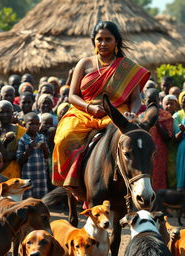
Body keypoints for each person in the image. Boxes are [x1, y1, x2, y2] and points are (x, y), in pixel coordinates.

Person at [52, 21, 150, 195]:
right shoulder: (84, 63)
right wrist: (90, 108)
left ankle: (135, 185)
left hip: (117, 113)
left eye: (108, 39)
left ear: (116, 42)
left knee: (133, 143)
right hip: (84, 111)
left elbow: (136, 99)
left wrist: (132, 113)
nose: (103, 43)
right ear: (94, 42)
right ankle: (72, 185)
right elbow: (72, 96)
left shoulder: (127, 67)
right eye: (99, 39)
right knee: (63, 138)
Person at [16, 112, 49, 199]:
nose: (34, 126)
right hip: (28, 175)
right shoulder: (22, 140)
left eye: (37, 124)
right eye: (31, 124)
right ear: (24, 124)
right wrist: (28, 151)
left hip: (41, 175)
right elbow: (19, 160)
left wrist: (45, 148)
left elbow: (47, 156)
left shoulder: (41, 137)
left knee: (41, 199)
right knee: (28, 199)